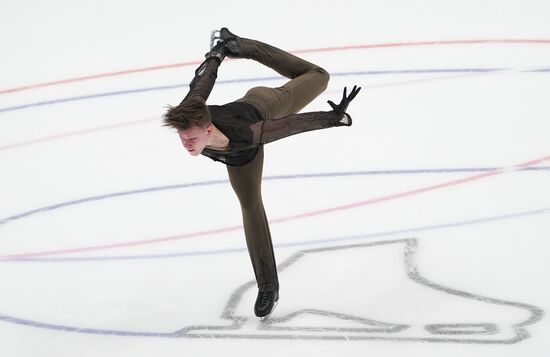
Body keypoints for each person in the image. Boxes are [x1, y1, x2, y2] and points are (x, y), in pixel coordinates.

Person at [163, 28, 361, 319]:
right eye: (182, 138)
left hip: (264, 107)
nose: (186, 144)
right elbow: (202, 81)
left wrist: (332, 118)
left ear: (207, 129)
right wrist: (216, 55)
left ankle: (245, 46)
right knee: (251, 205)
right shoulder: (191, 112)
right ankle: (268, 287)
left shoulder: (247, 133)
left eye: (190, 139)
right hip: (238, 157)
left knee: (319, 76)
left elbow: (288, 126)